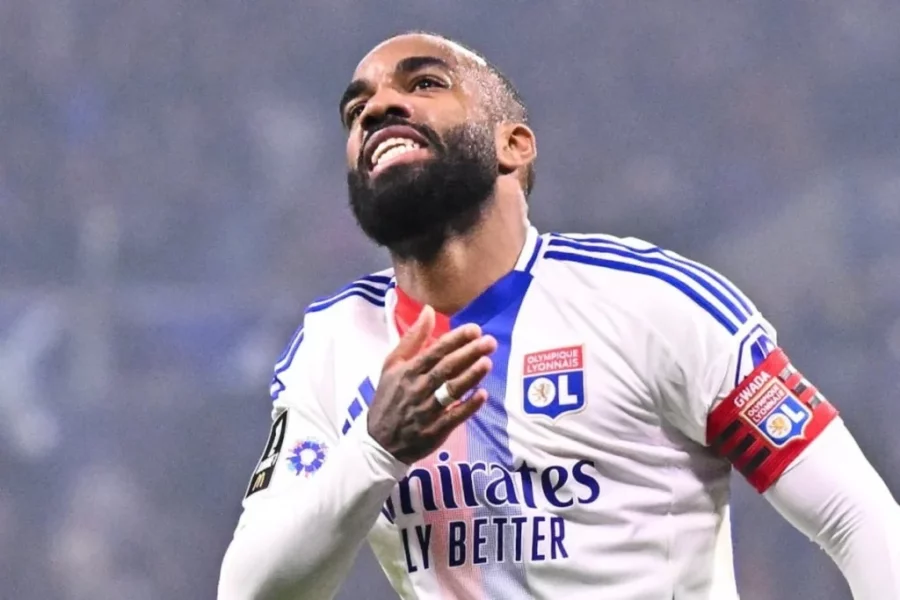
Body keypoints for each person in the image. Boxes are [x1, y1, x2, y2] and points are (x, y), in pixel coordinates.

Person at [217, 32, 900, 600]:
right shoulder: (333, 342)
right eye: (356, 108)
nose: (377, 107)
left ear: (513, 144)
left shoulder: (651, 301)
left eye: (424, 83)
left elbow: (857, 518)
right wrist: (375, 449)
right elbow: (250, 590)